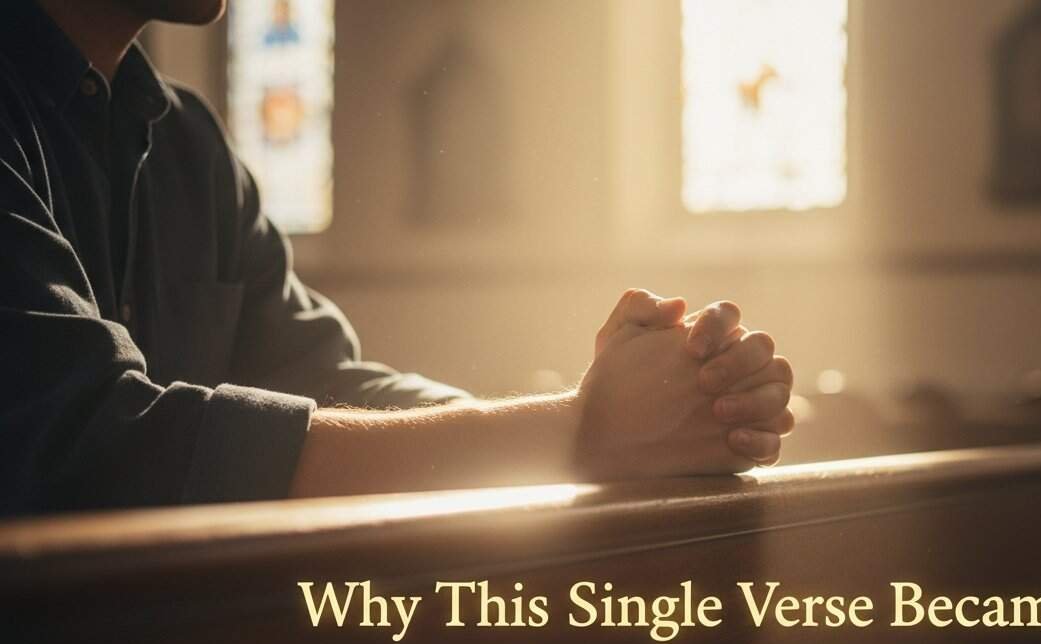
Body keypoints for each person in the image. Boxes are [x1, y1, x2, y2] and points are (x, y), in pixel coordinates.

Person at [0, 0, 795, 513]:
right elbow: (97, 446)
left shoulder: (186, 140)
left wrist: (646, 403)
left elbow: (324, 379)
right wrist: (579, 432)